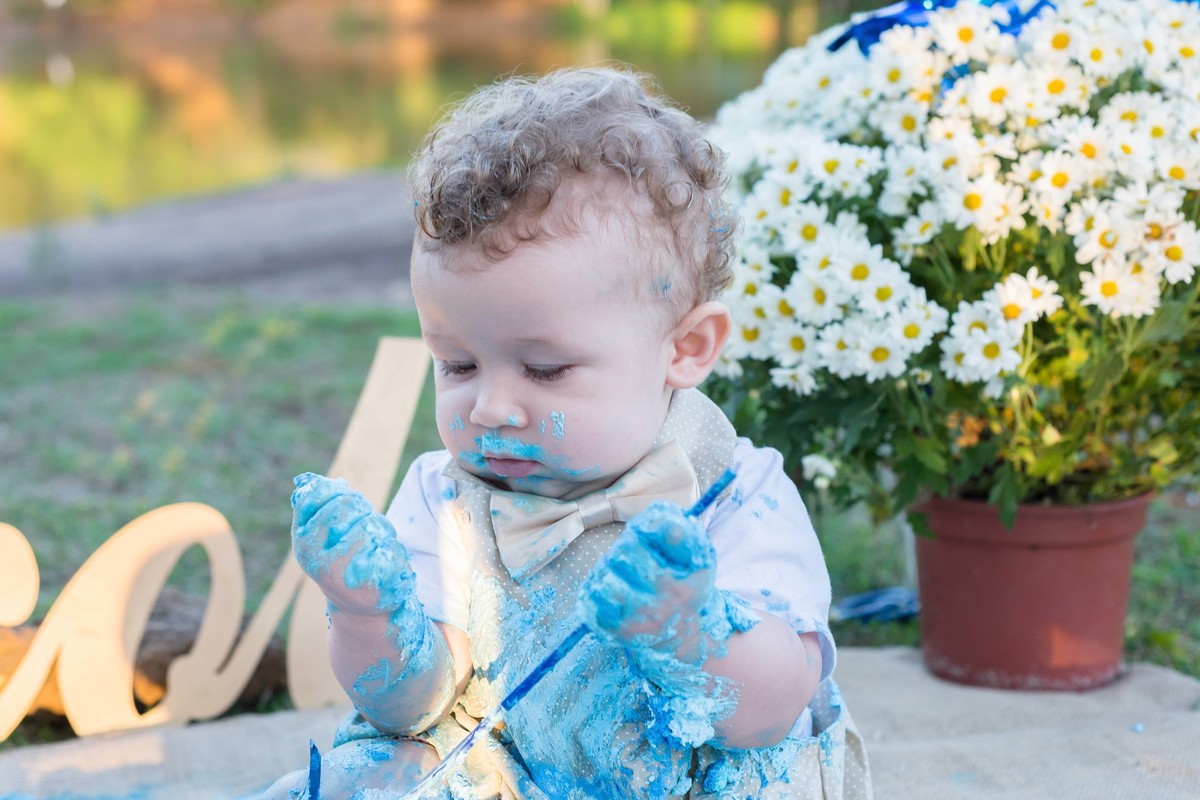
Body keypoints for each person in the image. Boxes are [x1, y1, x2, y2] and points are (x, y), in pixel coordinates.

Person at [261, 66, 871, 800]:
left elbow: (769, 713)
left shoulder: (738, 494)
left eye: (544, 370)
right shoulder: (444, 498)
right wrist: (368, 613)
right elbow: (409, 708)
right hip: (502, 772)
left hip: (688, 780)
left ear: (685, 349)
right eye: (457, 365)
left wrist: (694, 633)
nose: (491, 407)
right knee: (360, 780)